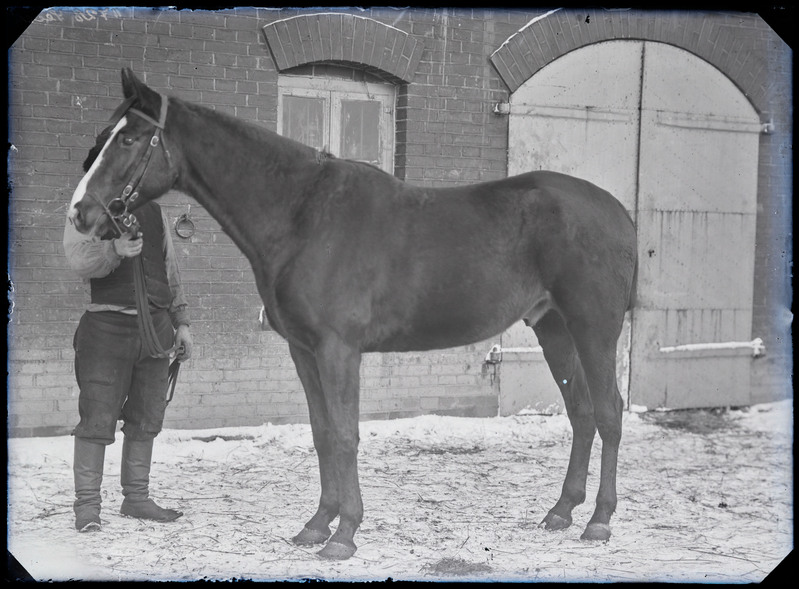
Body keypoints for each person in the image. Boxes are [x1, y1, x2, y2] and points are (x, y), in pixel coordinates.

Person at [63, 129, 193, 532]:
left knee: (145, 418)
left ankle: (136, 499)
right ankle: (87, 508)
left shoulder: (154, 211)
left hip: (155, 330)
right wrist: (112, 251)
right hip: (106, 328)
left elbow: (169, 270)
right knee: (97, 419)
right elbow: (76, 260)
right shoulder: (84, 208)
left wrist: (182, 323)